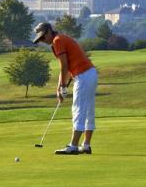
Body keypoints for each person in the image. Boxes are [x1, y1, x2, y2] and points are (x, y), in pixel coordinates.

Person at [33, 22, 98, 155]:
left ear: (49, 32)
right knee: (88, 109)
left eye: (43, 37)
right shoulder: (60, 39)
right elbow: (66, 68)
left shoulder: (57, 41)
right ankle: (85, 145)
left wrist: (63, 86)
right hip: (90, 73)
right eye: (40, 39)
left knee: (79, 109)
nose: (42, 41)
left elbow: (64, 66)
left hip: (84, 76)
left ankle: (73, 146)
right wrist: (59, 88)